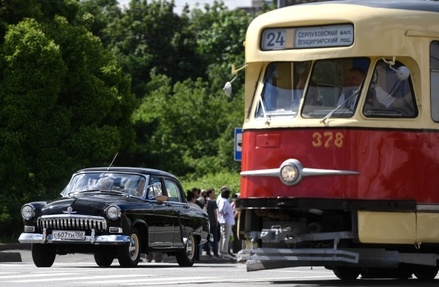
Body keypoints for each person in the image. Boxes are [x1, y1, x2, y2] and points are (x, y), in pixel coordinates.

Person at [217, 186, 235, 260]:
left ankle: (222, 251)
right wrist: (225, 213)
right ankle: (225, 252)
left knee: (224, 236)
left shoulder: (224, 200)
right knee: (225, 237)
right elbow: (221, 210)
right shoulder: (224, 201)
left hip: (225, 220)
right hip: (226, 221)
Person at [203, 188, 219, 258]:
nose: (214, 194)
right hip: (212, 222)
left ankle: (207, 251)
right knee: (214, 238)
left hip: (206, 222)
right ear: (210, 194)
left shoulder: (205, 201)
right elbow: (215, 213)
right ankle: (215, 252)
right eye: (213, 193)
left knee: (206, 237)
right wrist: (216, 221)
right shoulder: (213, 202)